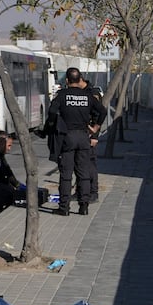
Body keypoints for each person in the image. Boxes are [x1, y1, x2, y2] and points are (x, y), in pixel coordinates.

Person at [46, 67, 106, 215]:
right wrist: (95, 128)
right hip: (83, 137)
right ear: (79, 79)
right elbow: (102, 111)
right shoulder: (87, 96)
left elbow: (52, 113)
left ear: (67, 80)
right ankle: (84, 206)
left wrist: (51, 127)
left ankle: (64, 208)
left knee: (66, 175)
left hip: (68, 137)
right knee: (83, 173)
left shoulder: (62, 95)